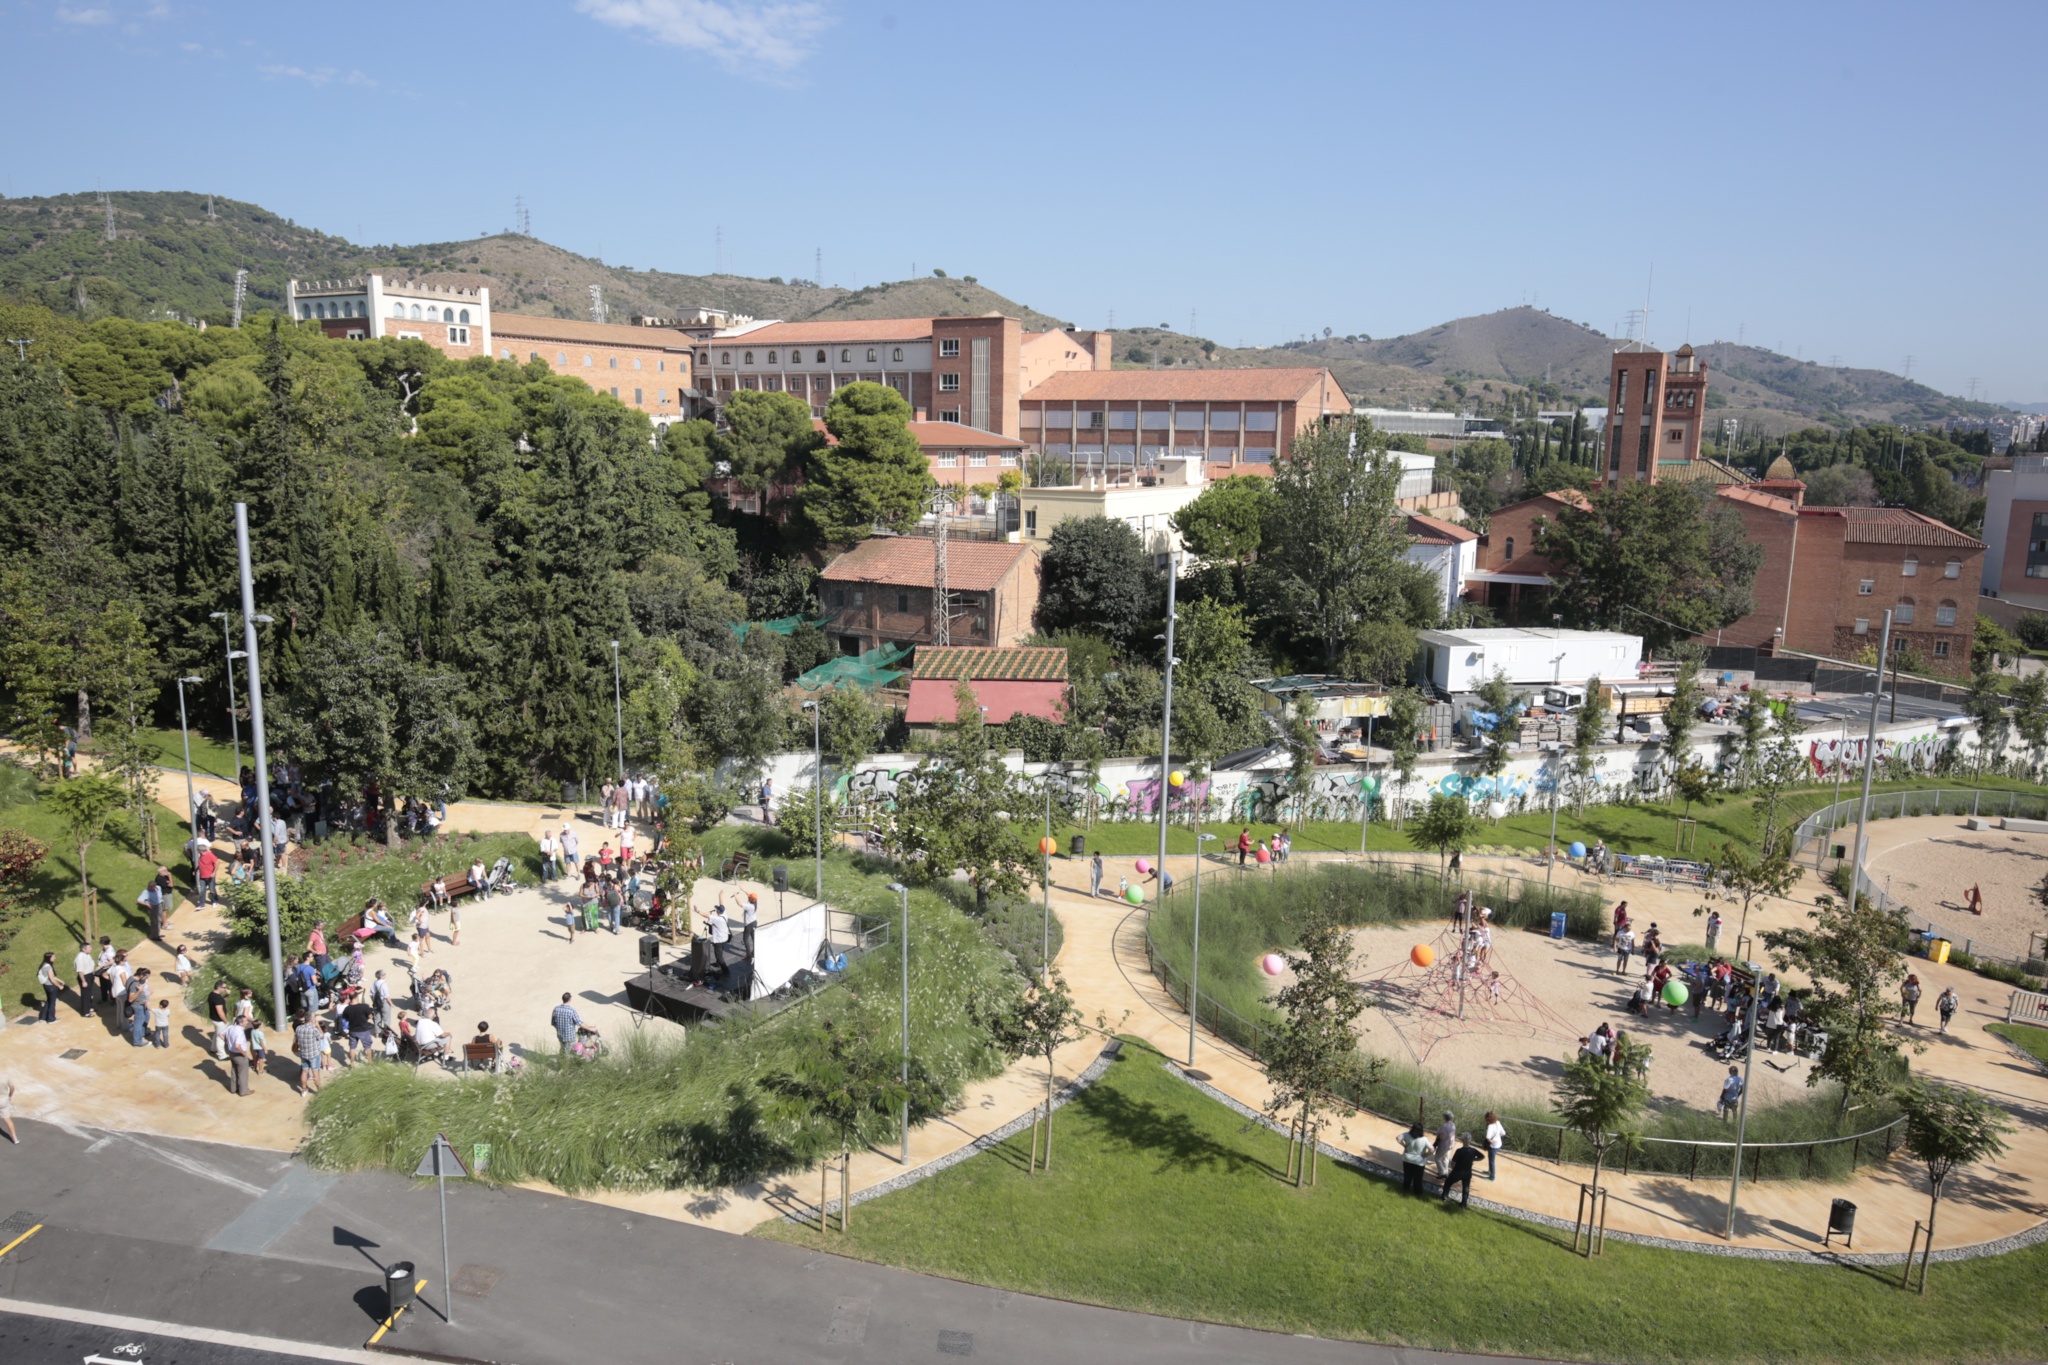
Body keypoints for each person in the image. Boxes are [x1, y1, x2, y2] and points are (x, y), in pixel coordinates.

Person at [1442, 1135, 1483, 1206]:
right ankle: (1463, 1203)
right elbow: (1482, 1157)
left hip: (1458, 1171)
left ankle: (1445, 1197)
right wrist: (1474, 1159)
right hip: (1468, 1172)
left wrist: (1453, 1169)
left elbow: (1453, 1162)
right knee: (1466, 1187)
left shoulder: (1459, 1151)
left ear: (1463, 1141)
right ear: (1470, 1141)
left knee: (1448, 1182)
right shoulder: (1473, 1151)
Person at [294, 1012, 328, 1092]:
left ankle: (304, 1089)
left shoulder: (298, 1028)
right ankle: (320, 1090)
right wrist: (318, 1025)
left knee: (304, 1071)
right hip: (314, 1055)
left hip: (303, 1054)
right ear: (312, 1019)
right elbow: (322, 1036)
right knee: (315, 1073)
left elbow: (296, 1039)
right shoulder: (313, 1030)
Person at [222, 1017, 254, 1096]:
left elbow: (220, 1034)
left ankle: (233, 1089)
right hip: (239, 1054)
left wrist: (228, 1043)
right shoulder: (240, 1032)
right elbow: (237, 1045)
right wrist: (243, 1053)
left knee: (234, 1070)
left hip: (231, 1053)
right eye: (245, 1021)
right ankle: (243, 1091)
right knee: (243, 1073)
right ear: (241, 1023)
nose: (247, 1022)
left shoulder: (230, 1027)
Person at [1399, 1123, 1434, 1194]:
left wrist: (1404, 1145)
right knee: (1418, 1178)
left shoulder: (1406, 1134)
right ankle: (1417, 1192)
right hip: (1419, 1161)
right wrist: (1425, 1155)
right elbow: (1432, 1150)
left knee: (1407, 1176)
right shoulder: (1424, 1139)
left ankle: (1405, 1188)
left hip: (1407, 1159)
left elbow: (1398, 1138)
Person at [35, 952, 63, 1023]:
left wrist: (60, 981)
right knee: (52, 1003)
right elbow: (52, 979)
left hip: (46, 985)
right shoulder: (48, 967)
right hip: (51, 986)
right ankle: (51, 1019)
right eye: (53, 957)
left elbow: (50, 976)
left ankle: (43, 1017)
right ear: (49, 958)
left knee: (48, 1001)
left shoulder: (43, 965)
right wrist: (59, 986)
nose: (55, 958)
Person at [71, 942, 97, 1015]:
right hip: (85, 977)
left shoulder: (87, 955)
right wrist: (83, 981)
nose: (91, 949)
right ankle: (85, 1012)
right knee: (85, 994)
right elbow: (80, 971)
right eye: (89, 948)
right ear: (83, 949)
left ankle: (89, 1006)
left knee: (89, 993)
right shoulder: (79, 958)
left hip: (90, 975)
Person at [1434, 1110, 1458, 1181]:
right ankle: (1446, 1172)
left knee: (1437, 1158)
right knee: (1446, 1158)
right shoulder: (1453, 1125)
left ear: (1445, 1117)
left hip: (1443, 1144)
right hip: (1450, 1144)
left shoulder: (1444, 1126)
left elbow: (1441, 1135)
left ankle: (1442, 1173)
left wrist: (1436, 1141)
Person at [1483, 1111, 1506, 1181]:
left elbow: (1488, 1137)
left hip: (1493, 1146)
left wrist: (1491, 1141)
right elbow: (1503, 1133)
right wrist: (1497, 1137)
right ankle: (1490, 1171)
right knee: (1490, 1158)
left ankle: (1492, 1177)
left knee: (1491, 1161)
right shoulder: (1498, 1123)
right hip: (1498, 1144)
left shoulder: (1490, 1126)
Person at [0, 1077, 16, 1145]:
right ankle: (15, 1138)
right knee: (7, 1119)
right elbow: (12, 1087)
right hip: (4, 1100)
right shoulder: (5, 1077)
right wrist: (10, 1095)